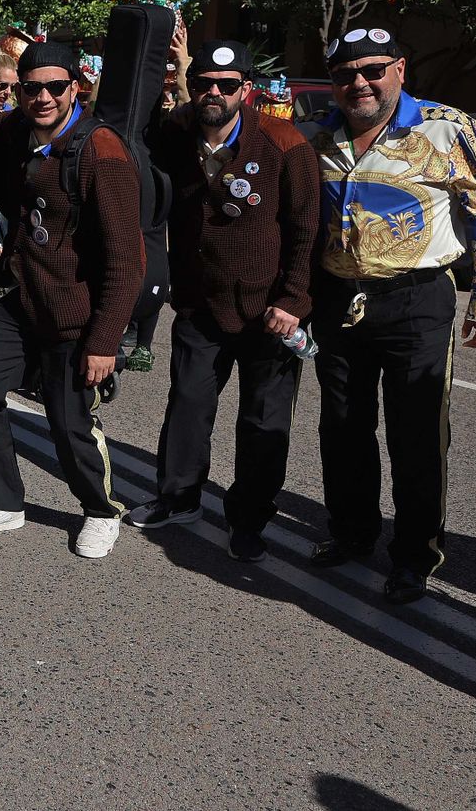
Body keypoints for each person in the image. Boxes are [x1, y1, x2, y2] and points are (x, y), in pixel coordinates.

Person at [301, 28, 476, 603]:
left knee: (417, 433)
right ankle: (352, 533)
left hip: (417, 300)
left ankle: (415, 555)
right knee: (343, 426)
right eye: (345, 74)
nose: (359, 83)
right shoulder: (319, 132)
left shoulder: (446, 128)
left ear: (399, 69)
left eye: (373, 70)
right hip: (339, 300)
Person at [126, 41, 319, 562]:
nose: (214, 92)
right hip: (201, 305)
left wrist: (293, 300)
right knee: (188, 407)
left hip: (269, 314)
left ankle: (249, 519)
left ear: (246, 90)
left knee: (263, 423)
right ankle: (179, 498)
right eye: (205, 83)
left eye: (227, 85)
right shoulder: (177, 137)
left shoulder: (284, 143)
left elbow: (306, 229)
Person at [0, 41, 145, 558]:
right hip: (25, 300)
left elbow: (127, 261)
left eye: (55, 87)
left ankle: (102, 510)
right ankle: (2, 501)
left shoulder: (101, 153)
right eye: (31, 88)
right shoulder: (18, 131)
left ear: (75, 88)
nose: (43, 97)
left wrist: (104, 342)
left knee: (69, 423)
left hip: (78, 315)